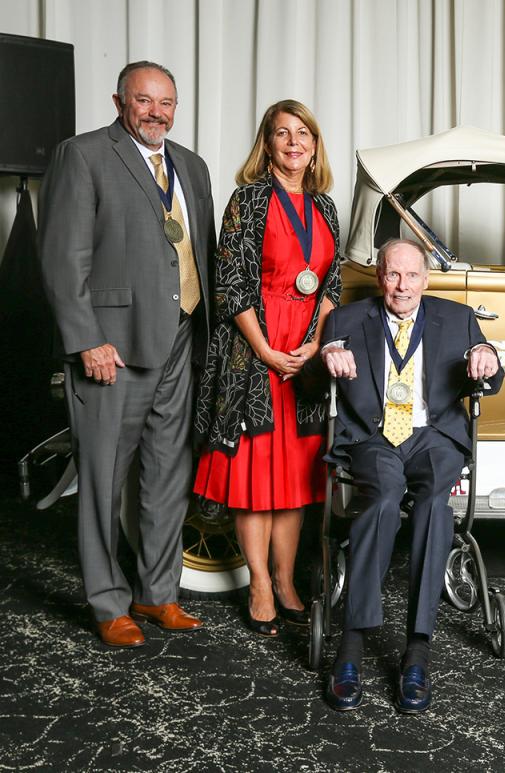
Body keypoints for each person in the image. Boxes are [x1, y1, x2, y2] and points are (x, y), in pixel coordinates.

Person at [39, 61, 212, 647]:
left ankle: (157, 593)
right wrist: (86, 338)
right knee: (103, 480)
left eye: (166, 102)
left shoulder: (192, 165)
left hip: (182, 339)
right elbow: (63, 259)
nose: (156, 112)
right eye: (144, 101)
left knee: (168, 476)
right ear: (119, 102)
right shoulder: (82, 155)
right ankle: (108, 602)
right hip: (112, 347)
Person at [320, 238, 503, 714]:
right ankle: (352, 647)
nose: (401, 286)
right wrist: (328, 359)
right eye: (392, 275)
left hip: (434, 436)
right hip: (374, 437)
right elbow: (316, 374)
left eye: (411, 276)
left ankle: (417, 651)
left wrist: (487, 355)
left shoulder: (458, 318)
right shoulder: (345, 320)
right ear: (380, 276)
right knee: (381, 501)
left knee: (433, 511)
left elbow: (491, 373)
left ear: (426, 278)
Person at [192, 100, 342, 637]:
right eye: (283, 133)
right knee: (256, 475)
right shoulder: (247, 200)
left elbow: (331, 286)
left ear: (315, 144)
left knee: (297, 478)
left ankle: (285, 581)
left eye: (303, 133)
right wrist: (266, 350)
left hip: (304, 355)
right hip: (254, 354)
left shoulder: (325, 207)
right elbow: (231, 283)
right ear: (268, 143)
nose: (294, 142)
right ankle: (258, 584)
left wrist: (314, 343)